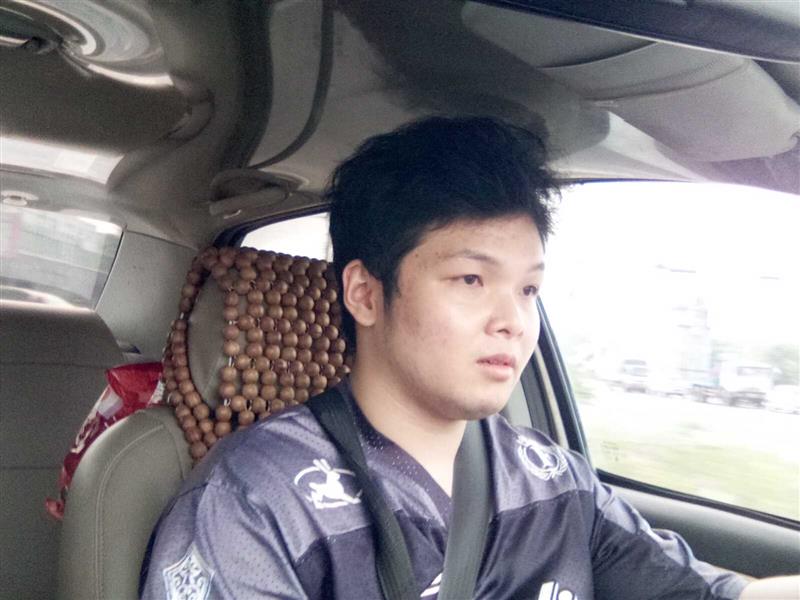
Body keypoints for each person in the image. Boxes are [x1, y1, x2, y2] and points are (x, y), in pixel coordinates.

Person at [140, 116, 798, 599]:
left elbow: (715, 595)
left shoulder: (553, 481)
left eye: (529, 290)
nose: (513, 321)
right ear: (365, 293)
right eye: (471, 280)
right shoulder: (258, 501)